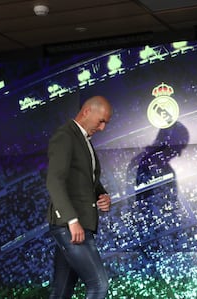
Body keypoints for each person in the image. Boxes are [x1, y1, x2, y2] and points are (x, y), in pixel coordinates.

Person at [46, 95, 113, 299]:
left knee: (61, 291)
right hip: (72, 226)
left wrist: (102, 194)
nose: (102, 128)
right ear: (86, 112)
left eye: (106, 123)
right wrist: (72, 220)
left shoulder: (82, 139)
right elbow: (54, 181)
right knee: (99, 285)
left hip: (78, 225)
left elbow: (85, 178)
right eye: (101, 121)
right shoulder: (65, 136)